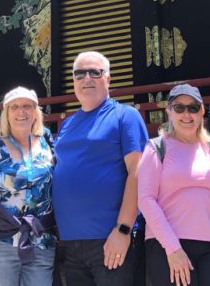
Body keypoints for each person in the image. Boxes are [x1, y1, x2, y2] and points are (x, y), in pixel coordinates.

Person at [52, 51, 149, 286]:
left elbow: (138, 172)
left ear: (108, 79)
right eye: (80, 73)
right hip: (72, 244)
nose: (87, 78)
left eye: (95, 72)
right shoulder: (67, 124)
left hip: (111, 238)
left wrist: (123, 230)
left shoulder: (125, 116)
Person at [137, 84, 210, 286]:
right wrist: (173, 248)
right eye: (179, 108)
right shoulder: (156, 147)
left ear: (202, 112)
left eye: (193, 108)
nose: (186, 114)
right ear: (169, 112)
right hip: (168, 243)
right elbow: (145, 199)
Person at [0, 87, 56, 286]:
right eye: (14, 107)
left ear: (36, 112)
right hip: (0, 244)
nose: (21, 112)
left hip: (41, 243)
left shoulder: (48, 145)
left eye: (27, 106)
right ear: (6, 114)